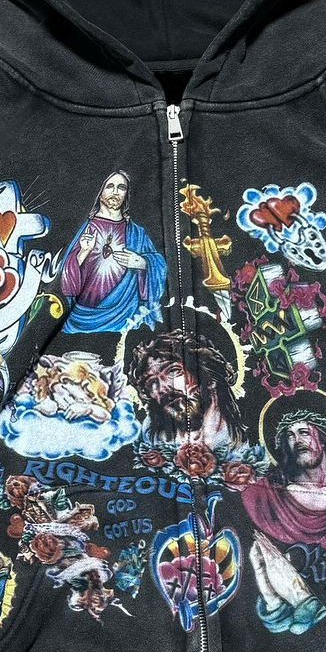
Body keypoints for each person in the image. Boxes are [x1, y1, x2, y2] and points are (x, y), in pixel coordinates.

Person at [240, 396, 326, 634]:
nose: (297, 440)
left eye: (303, 432)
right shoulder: (263, 498)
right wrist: (269, 593)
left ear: (324, 440)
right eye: (289, 435)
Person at [58, 170, 166, 333]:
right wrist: (83, 252)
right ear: (100, 191)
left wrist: (142, 263)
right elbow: (66, 283)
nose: (115, 192)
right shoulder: (85, 228)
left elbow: (160, 266)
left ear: (126, 194)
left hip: (124, 317)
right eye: (110, 186)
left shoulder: (136, 233)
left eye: (121, 187)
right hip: (81, 316)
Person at [128, 328, 248, 447]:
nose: (163, 388)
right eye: (152, 382)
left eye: (173, 371)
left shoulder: (239, 437)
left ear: (206, 375)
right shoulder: (153, 441)